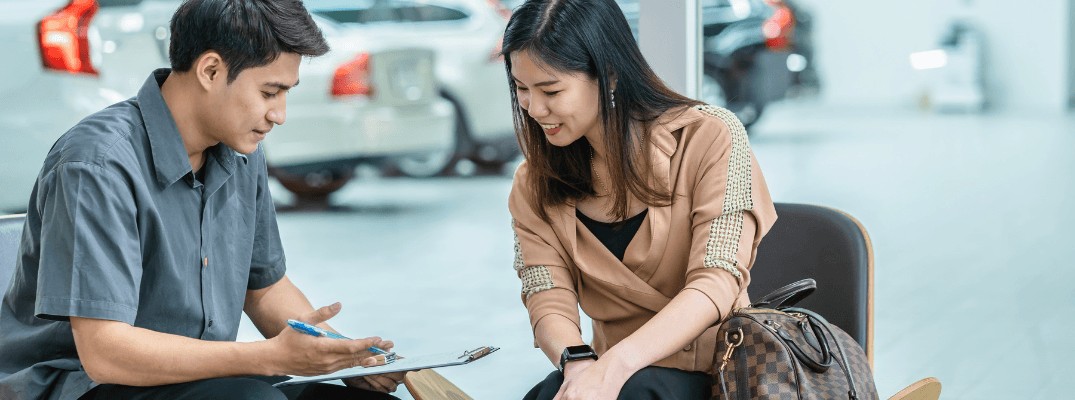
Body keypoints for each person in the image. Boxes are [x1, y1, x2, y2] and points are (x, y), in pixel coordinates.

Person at [0, 1, 404, 399]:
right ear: (210, 70)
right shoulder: (97, 165)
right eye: (269, 92)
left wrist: (346, 356)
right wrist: (269, 357)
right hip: (83, 386)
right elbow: (106, 354)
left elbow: (262, 289)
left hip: (201, 381)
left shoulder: (241, 154)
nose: (279, 114)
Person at [503, 0, 778, 399]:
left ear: (610, 75)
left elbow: (717, 278)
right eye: (521, 89)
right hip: (609, 370)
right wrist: (578, 363)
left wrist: (615, 366)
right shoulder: (533, 181)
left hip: (714, 372)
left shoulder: (710, 136)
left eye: (551, 90)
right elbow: (546, 291)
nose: (534, 108)